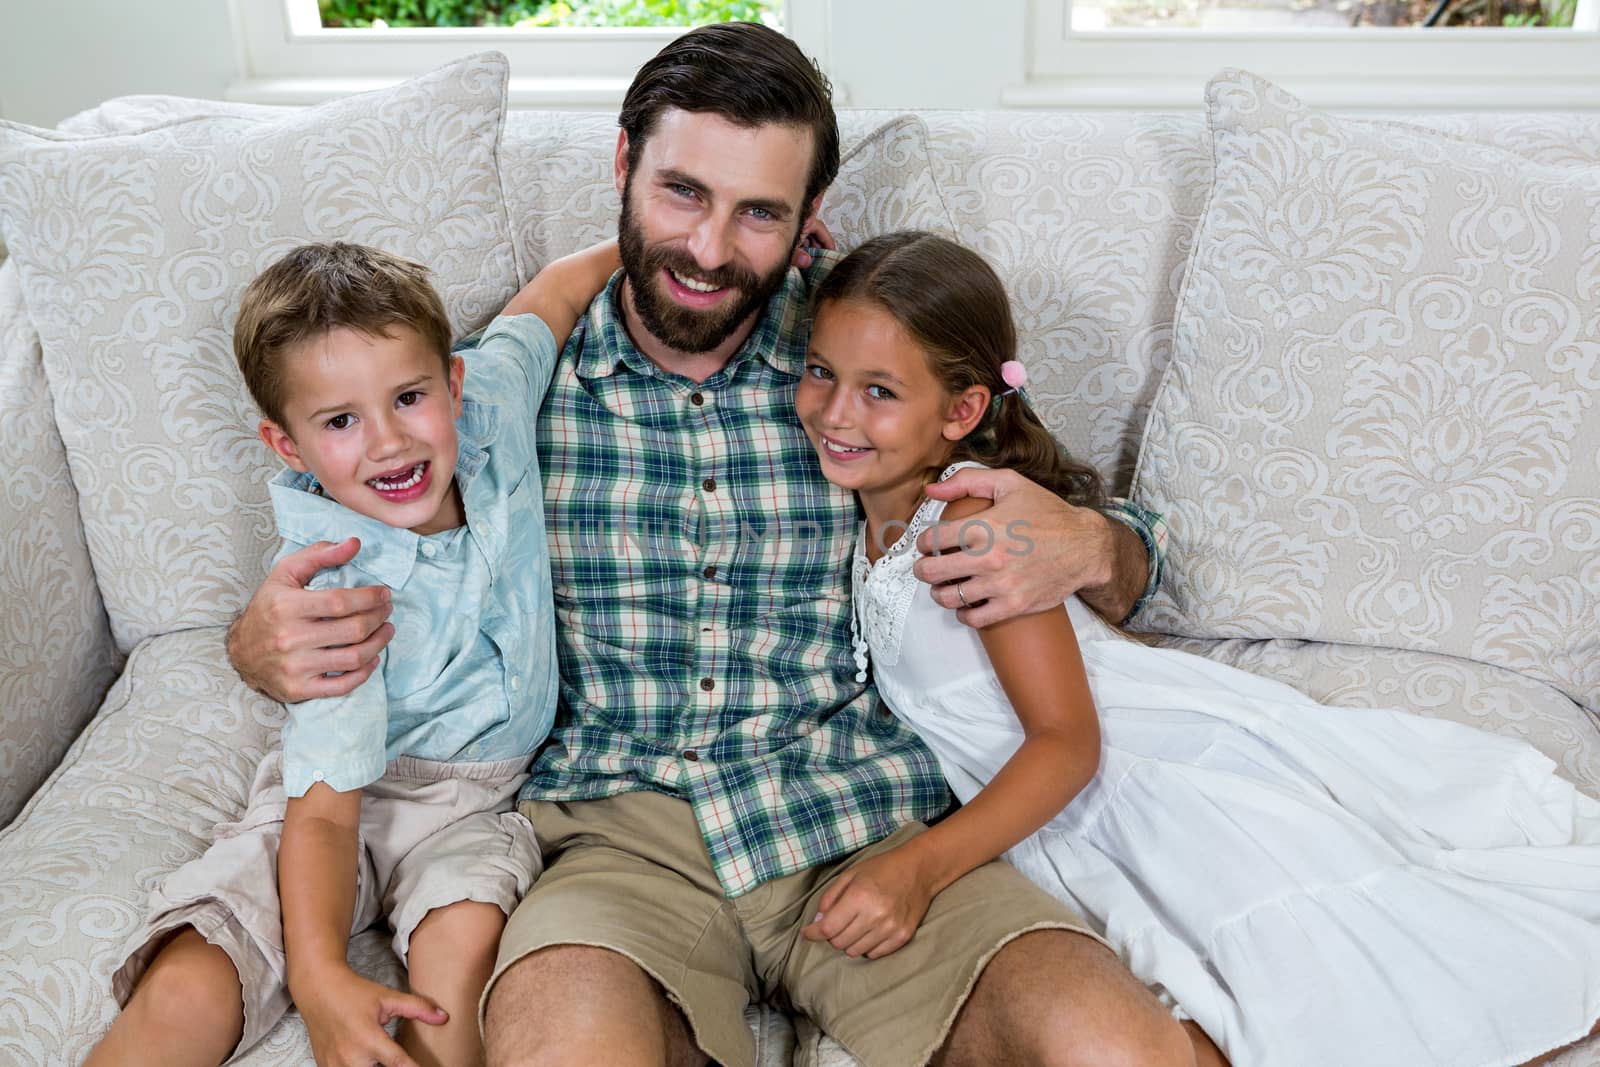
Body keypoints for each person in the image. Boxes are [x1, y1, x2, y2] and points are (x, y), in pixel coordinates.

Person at [226, 22, 1201, 1067]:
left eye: (757, 214)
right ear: (622, 164)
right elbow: (354, 510)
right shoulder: (493, 398)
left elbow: (1072, 510)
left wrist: (1093, 543)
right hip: (611, 848)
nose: (705, 247)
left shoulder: (854, 358)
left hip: (862, 819)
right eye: (682, 192)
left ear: (806, 219)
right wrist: (258, 638)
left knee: (1114, 1046)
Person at [796, 228, 1600, 1067]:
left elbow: (1067, 742)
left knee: (1326, 968)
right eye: (821, 370)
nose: (837, 411)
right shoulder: (881, 509)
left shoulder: (977, 532)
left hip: (1125, 773)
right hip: (1053, 800)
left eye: (879, 390)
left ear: (961, 411)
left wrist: (923, 866)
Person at [88, 239, 619, 1067]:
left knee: (461, 956)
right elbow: (329, 813)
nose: (387, 442)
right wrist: (321, 974)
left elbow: (553, 297)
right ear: (288, 446)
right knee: (193, 976)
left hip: (474, 805)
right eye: (340, 421)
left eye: (408, 396)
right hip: (335, 800)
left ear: (453, 382)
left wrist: (661, 247)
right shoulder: (332, 589)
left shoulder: (495, 407)